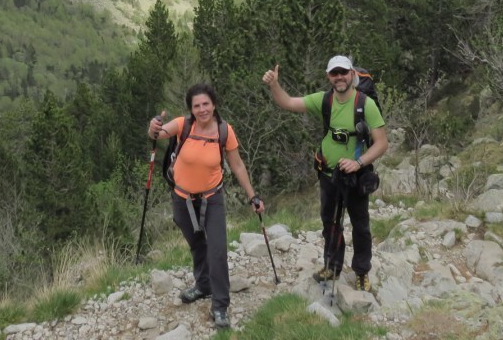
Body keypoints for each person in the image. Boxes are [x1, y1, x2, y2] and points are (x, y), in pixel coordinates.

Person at [262, 56, 388, 292]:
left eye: (343, 72)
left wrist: (358, 163)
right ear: (328, 76)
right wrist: (274, 85)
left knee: (360, 226)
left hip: (356, 176)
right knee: (330, 223)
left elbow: (381, 143)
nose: (339, 77)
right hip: (328, 175)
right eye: (334, 73)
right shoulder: (325, 101)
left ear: (352, 74)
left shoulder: (365, 104)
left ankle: (362, 271)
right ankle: (332, 265)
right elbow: (288, 103)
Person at [148, 83, 264, 330]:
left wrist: (253, 196)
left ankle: (220, 306)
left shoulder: (224, 131)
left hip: (212, 199)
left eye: (206, 104)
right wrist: (154, 127)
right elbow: (158, 134)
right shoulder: (183, 125)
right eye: (196, 106)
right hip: (182, 199)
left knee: (218, 251)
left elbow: (238, 165)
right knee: (197, 244)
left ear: (214, 104)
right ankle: (203, 285)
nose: (202, 110)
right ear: (190, 109)